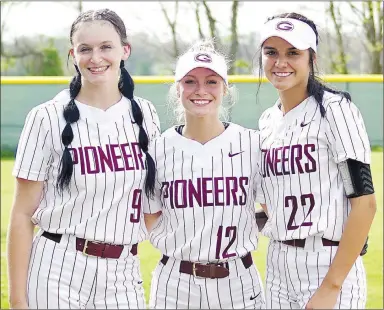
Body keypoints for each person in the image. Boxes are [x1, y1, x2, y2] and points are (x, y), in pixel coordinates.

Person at [7, 8, 160, 309]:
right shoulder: (46, 117)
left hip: (123, 271)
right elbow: (23, 214)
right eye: (85, 49)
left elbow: (154, 204)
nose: (96, 57)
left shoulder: (145, 115)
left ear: (124, 50)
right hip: (58, 266)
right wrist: (17, 299)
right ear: (73, 54)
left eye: (106, 47)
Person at [255, 12, 376, 309]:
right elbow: (270, 202)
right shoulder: (268, 120)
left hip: (327, 262)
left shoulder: (336, 110)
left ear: (312, 58)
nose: (280, 62)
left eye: (293, 53)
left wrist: (331, 287)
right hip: (278, 262)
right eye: (271, 52)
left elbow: (365, 203)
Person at [143, 39, 266, 309]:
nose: (201, 90)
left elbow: (272, 209)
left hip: (238, 280)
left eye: (211, 81)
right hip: (176, 283)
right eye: (190, 81)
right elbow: (151, 216)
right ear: (177, 89)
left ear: (225, 88)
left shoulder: (251, 144)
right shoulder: (157, 149)